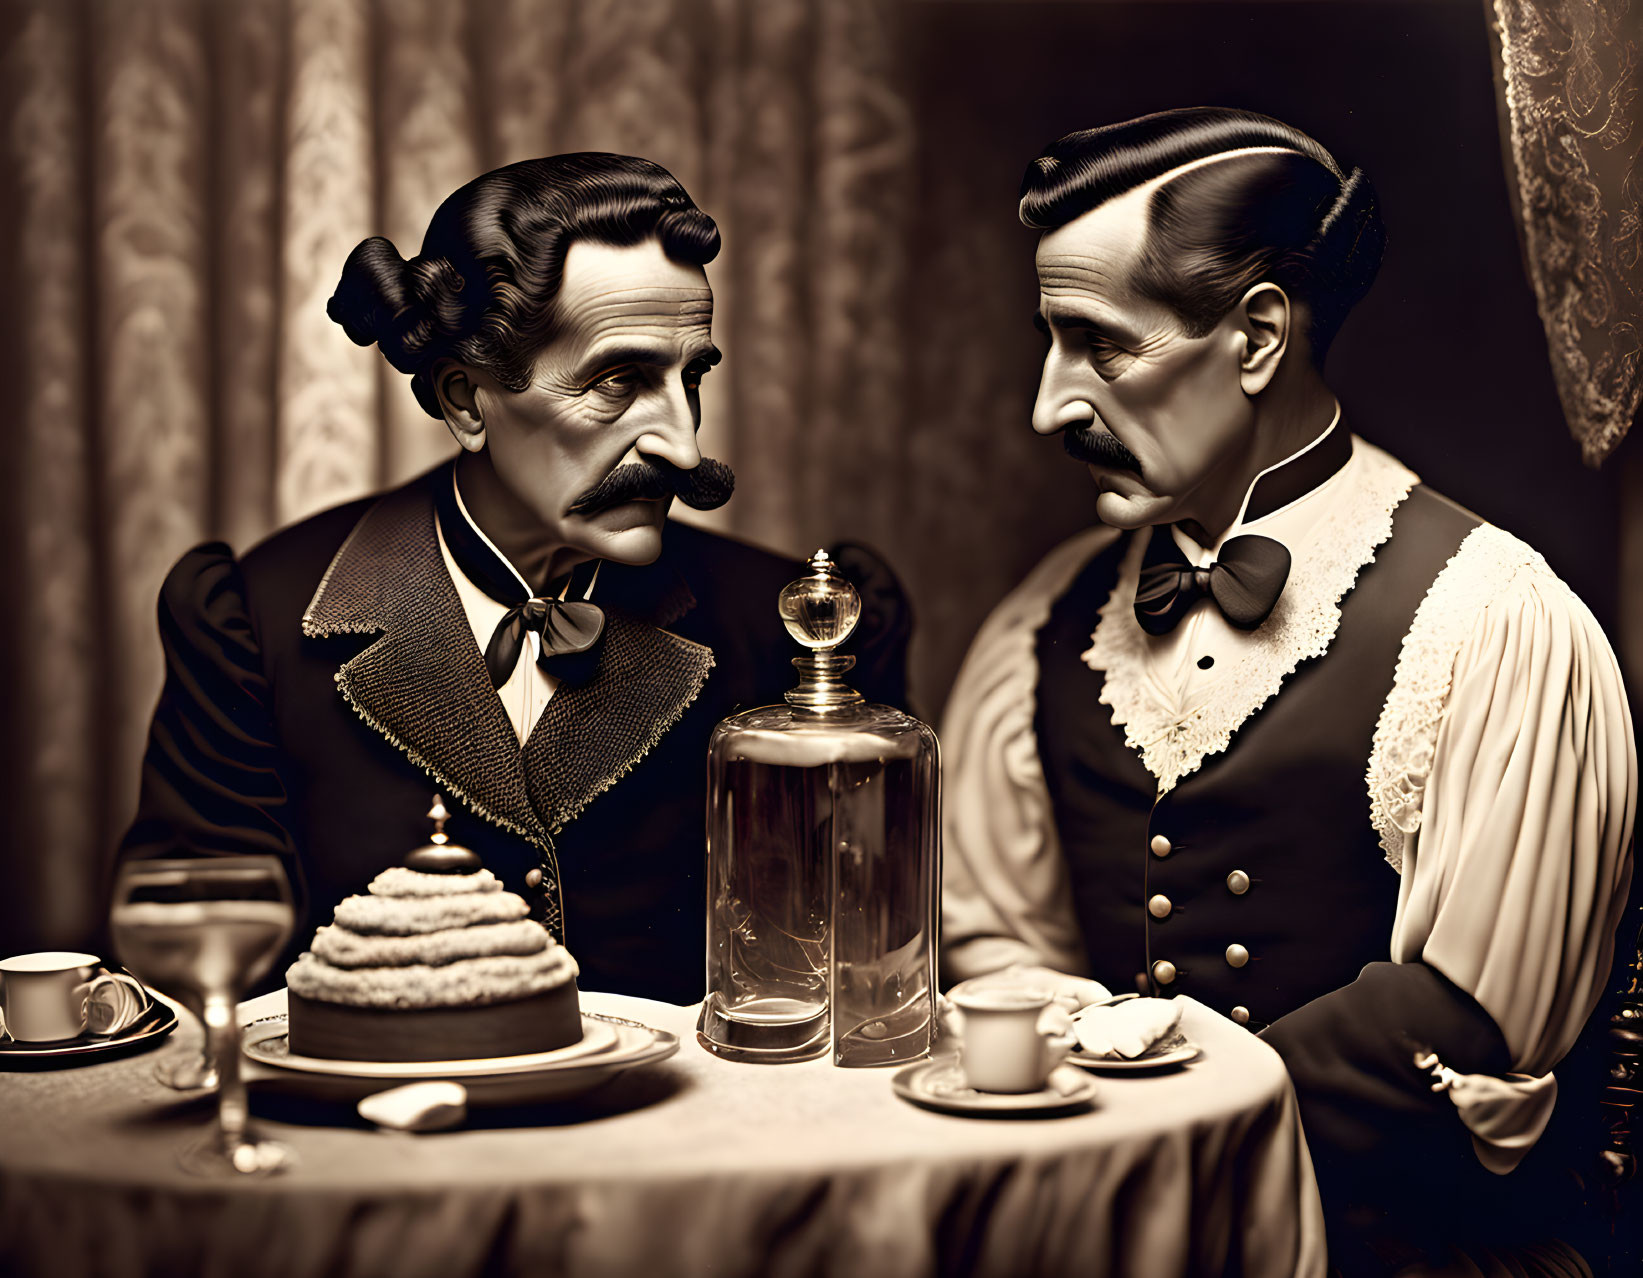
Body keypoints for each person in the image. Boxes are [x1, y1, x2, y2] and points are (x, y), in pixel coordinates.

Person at [939, 108, 1636, 1274]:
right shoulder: (1042, 624)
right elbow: (999, 952)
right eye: (1047, 343)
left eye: (1098, 345)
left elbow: (1473, 1035)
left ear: (1257, 336)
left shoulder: (1494, 625)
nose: (1047, 406)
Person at [116, 153, 908, 1004]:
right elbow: (200, 980)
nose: (681, 446)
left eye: (692, 378)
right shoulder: (253, 620)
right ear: (465, 400)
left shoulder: (798, 627)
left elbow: (868, 973)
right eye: (617, 383)